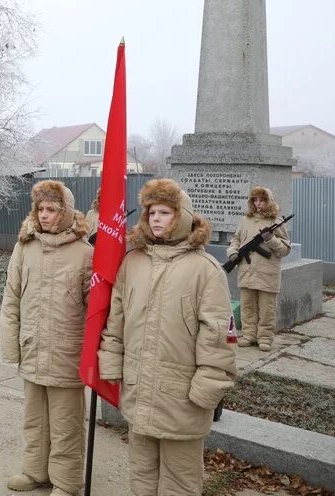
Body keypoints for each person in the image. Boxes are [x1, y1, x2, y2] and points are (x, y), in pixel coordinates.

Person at [98, 178, 237, 496]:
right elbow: (116, 321)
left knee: (180, 481)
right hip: (139, 391)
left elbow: (218, 338)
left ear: (183, 216)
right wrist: (111, 365)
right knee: (142, 474)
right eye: (151, 212)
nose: (156, 218)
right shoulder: (132, 262)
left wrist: (206, 392)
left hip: (182, 399)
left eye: (165, 212)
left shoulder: (205, 270)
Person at [0, 180, 93, 496]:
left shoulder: (84, 253)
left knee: (66, 423)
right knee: (35, 419)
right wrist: (12, 346)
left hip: (67, 353)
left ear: (65, 212)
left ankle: (66, 482)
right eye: (40, 209)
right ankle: (36, 471)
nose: (44, 215)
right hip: (33, 347)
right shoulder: (24, 248)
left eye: (52, 209)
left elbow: (95, 311)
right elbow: (11, 297)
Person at [227, 186, 291, 353]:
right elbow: (236, 239)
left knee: (267, 308)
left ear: (268, 201)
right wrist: (233, 252)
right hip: (247, 270)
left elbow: (285, 249)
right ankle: (248, 335)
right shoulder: (245, 220)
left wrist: (271, 239)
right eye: (255, 200)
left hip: (267, 273)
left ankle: (265, 337)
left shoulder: (276, 222)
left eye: (262, 200)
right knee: (247, 306)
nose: (258, 204)